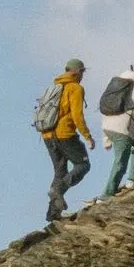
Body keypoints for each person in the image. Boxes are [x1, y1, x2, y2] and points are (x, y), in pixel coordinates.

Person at [38, 59, 95, 220]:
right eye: (82, 72)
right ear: (76, 72)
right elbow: (77, 115)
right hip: (65, 133)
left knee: (60, 171)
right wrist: (87, 136)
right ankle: (59, 190)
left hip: (47, 134)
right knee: (83, 164)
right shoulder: (75, 88)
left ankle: (53, 214)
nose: (83, 75)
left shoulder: (55, 86)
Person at [100, 61, 134, 196]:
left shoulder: (117, 83)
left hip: (108, 126)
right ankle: (106, 195)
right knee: (120, 162)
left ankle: (132, 179)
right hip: (122, 131)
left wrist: (106, 137)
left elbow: (109, 108)